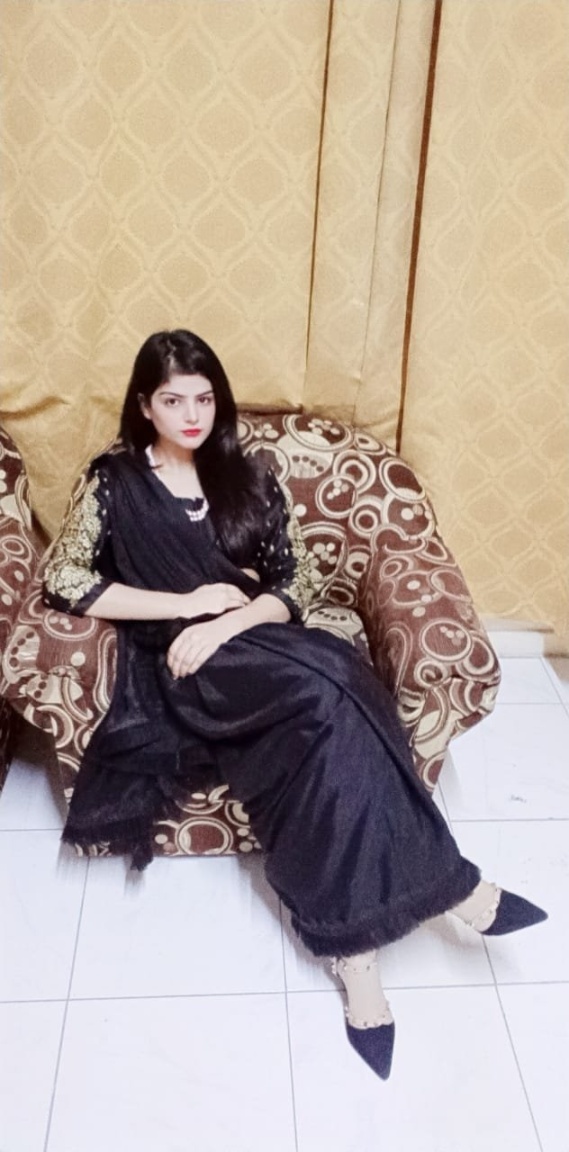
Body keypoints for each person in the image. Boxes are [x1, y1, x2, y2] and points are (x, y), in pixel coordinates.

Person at [43, 329, 547, 1081]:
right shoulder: (114, 483)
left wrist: (228, 619)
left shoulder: (247, 474)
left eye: (204, 398)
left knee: (331, 708)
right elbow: (66, 580)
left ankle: (354, 954)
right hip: (184, 662)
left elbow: (295, 584)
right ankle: (456, 890)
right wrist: (185, 607)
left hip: (256, 639)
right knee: (334, 687)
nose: (192, 415)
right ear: (144, 405)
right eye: (173, 401)